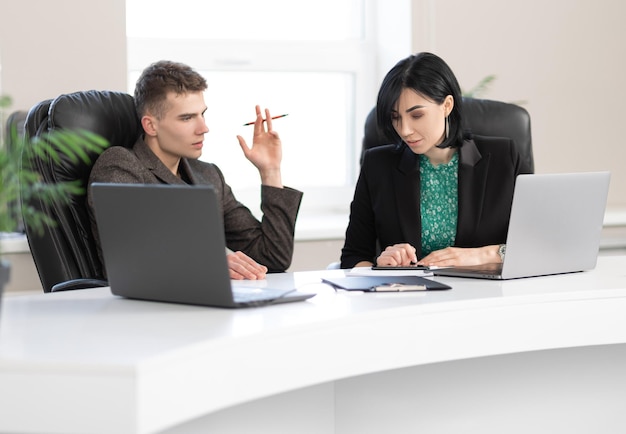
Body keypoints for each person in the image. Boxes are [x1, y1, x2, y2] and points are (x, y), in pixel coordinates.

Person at [87, 60, 303, 280]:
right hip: (143, 308)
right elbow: (134, 254)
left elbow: (273, 258)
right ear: (150, 125)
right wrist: (210, 264)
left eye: (202, 114)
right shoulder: (121, 165)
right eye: (187, 118)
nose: (203, 128)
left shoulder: (208, 176)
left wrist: (271, 171)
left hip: (202, 306)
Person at [340, 52, 529, 269]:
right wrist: (379, 267)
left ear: (447, 105)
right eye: (395, 117)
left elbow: (539, 244)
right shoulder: (377, 166)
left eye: (417, 115)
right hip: (412, 298)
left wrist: (482, 255)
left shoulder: (504, 157)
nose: (405, 130)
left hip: (487, 297)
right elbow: (353, 258)